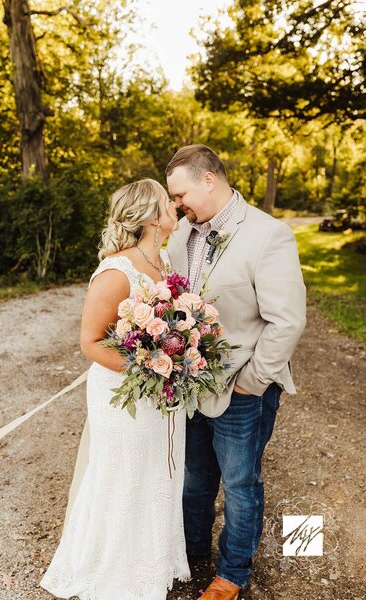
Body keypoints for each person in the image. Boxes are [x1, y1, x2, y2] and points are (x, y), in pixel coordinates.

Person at [166, 145, 307, 599]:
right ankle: (190, 554)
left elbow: (286, 319)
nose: (176, 205)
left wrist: (254, 380)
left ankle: (232, 573)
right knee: (195, 477)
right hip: (192, 385)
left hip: (243, 388)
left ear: (210, 180)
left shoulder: (269, 234)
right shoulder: (180, 233)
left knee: (241, 483)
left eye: (181, 193)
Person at [39, 178, 191, 599]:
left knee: (159, 470)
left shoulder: (165, 265)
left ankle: (151, 561)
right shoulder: (116, 270)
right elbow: (90, 342)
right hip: (126, 394)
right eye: (167, 201)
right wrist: (153, 366)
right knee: (123, 475)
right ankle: (111, 570)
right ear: (150, 216)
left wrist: (182, 356)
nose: (175, 205)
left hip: (163, 393)